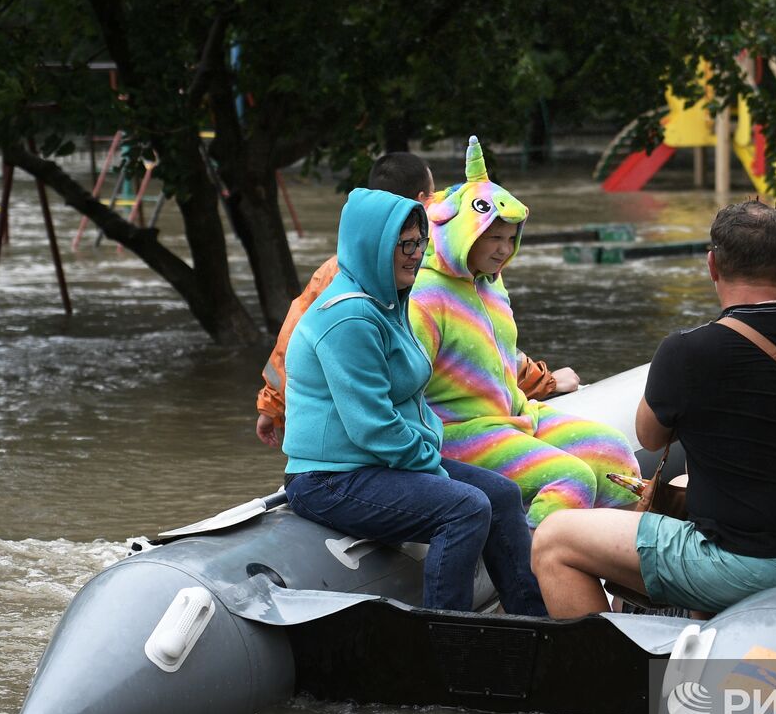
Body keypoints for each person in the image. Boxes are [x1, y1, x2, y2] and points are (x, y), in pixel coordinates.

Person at [532, 199, 776, 617]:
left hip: (739, 567)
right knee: (686, 478)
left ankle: (608, 676)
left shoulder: (688, 349)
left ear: (712, 265)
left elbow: (649, 436)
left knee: (554, 539)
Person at [282, 187, 546, 615]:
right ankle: (447, 642)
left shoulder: (389, 302)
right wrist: (433, 466)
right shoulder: (348, 316)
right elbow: (373, 426)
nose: (415, 254)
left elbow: (410, 400)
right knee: (465, 508)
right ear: (373, 245)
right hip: (329, 479)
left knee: (501, 494)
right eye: (404, 244)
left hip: (376, 464)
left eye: (419, 243)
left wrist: (432, 454)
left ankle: (536, 623)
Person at [255, 152, 576, 449]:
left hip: (346, 430)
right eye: (434, 194)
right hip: (420, 433)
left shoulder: (342, 262)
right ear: (424, 200)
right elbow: (480, 348)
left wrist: (272, 404)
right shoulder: (440, 262)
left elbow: (295, 335)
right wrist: (545, 382)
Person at [408, 136, 641, 527]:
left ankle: (612, 572)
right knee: (571, 477)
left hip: (516, 414)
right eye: (494, 237)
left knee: (614, 452)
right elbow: (404, 383)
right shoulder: (426, 296)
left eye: (510, 238)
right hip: (458, 433)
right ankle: (540, 574)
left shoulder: (491, 284)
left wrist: (544, 382)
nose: (503, 249)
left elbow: (500, 357)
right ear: (464, 233)